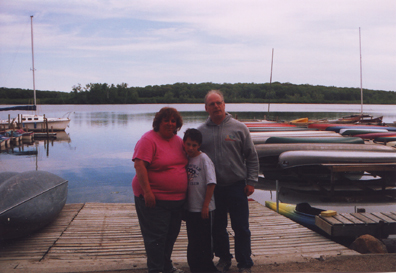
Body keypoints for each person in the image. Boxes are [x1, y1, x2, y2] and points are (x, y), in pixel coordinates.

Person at [197, 90, 259, 273]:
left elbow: (252, 157)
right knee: (218, 227)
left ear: (224, 105)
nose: (216, 106)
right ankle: (224, 258)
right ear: (206, 108)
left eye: (219, 103)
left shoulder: (239, 128)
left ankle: (245, 263)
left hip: (237, 186)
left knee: (241, 227)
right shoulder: (201, 132)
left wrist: (252, 181)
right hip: (214, 189)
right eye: (212, 104)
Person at [132, 107, 188, 273]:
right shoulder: (148, 140)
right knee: (155, 238)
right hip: (154, 199)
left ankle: (166, 266)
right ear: (158, 122)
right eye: (166, 120)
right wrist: (148, 192)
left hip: (177, 201)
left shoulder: (178, 141)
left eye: (173, 121)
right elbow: (139, 165)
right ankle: (155, 269)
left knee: (171, 236)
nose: (170, 124)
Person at [183, 128, 219, 273]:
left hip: (204, 209)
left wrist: (205, 205)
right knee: (193, 240)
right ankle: (194, 267)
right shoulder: (185, 158)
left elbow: (211, 183)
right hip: (190, 208)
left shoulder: (203, 159)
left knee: (205, 240)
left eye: (194, 145)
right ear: (184, 143)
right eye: (188, 144)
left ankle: (207, 267)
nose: (191, 148)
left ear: (199, 145)